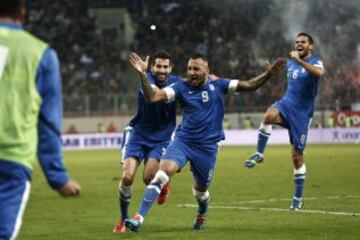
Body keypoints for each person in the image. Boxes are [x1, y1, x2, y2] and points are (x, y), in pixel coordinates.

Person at [124, 53, 285, 232]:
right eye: (189, 69)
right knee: (163, 173)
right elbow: (153, 97)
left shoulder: (219, 85)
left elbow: (248, 85)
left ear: (207, 71)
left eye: (196, 69)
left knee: (200, 192)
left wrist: (268, 74)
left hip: (207, 148)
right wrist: (142, 75)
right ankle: (138, 218)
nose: (192, 72)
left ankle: (202, 211)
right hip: (183, 142)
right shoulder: (181, 87)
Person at [0, 1, 81, 239]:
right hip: (12, 160)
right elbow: (47, 122)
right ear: (23, 12)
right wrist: (57, 177)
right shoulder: (41, 54)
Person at [244, 32, 325, 210]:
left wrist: (300, 60)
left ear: (310, 46)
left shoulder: (315, 61)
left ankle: (297, 199)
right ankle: (259, 153)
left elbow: (319, 73)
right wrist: (270, 72)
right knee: (268, 116)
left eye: (303, 42)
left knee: (297, 158)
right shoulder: (290, 64)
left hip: (302, 115)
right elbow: (289, 83)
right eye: (296, 42)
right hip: (287, 104)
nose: (298, 44)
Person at [113, 50, 183, 234]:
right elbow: (151, 94)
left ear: (171, 68)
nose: (162, 70)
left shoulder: (178, 82)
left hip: (160, 139)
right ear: (152, 67)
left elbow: (196, 85)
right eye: (158, 66)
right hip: (138, 135)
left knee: (147, 179)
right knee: (127, 177)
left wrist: (212, 80)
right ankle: (123, 218)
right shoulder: (146, 79)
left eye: (165, 67)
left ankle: (164, 181)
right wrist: (143, 73)